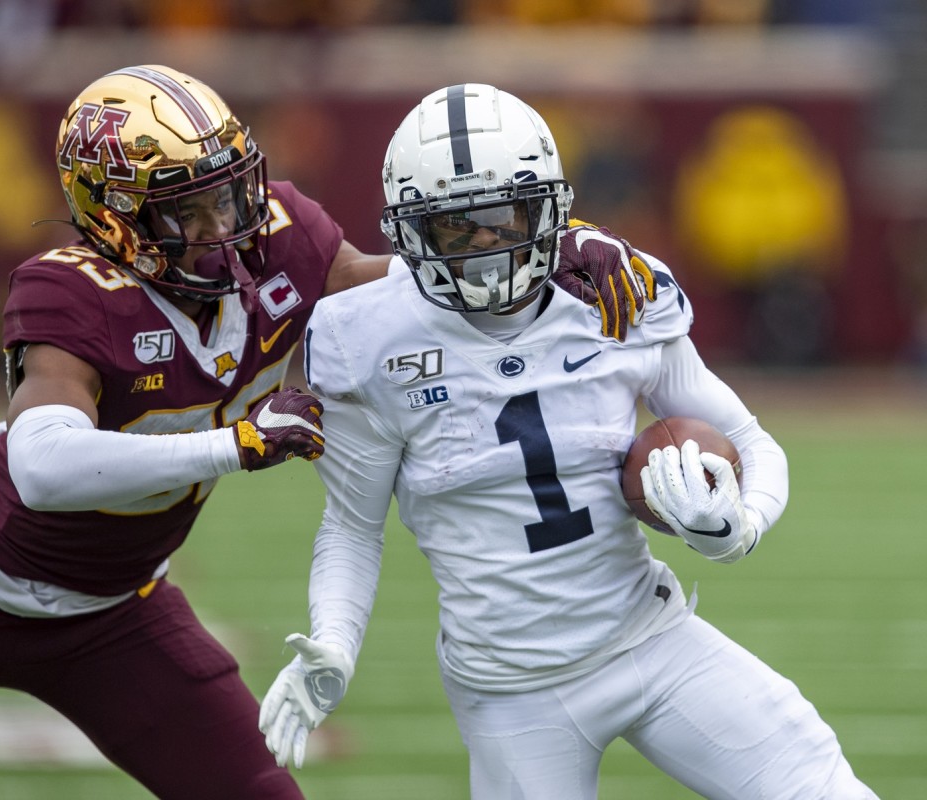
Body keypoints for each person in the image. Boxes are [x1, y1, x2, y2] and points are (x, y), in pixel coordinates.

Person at [0, 68, 647, 798]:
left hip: (120, 612)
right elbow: (44, 465)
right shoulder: (67, 288)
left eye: (227, 195)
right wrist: (237, 444)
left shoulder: (278, 237)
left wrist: (552, 251)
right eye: (185, 210)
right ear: (114, 217)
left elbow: (393, 286)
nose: (221, 228)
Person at [258, 83, 879, 799]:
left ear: (552, 207)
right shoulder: (366, 336)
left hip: (653, 636)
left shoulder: (617, 294)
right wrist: (332, 640)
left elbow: (749, 439)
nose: (487, 247)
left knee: (824, 787)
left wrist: (734, 528)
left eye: (504, 218)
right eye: (457, 229)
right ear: (409, 233)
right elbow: (352, 526)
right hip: (512, 692)